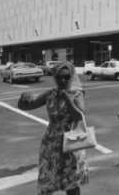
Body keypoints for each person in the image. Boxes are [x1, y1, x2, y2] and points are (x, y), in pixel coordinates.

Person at [17, 62, 88, 195]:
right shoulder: (51, 94)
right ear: (55, 78)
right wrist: (22, 100)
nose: (63, 80)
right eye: (59, 77)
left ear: (71, 76)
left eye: (66, 77)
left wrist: (68, 99)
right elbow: (27, 106)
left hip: (71, 142)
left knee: (71, 182)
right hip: (51, 143)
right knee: (47, 181)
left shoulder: (77, 94)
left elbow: (79, 116)